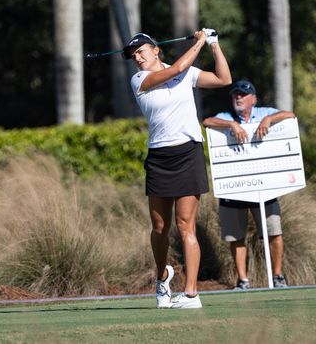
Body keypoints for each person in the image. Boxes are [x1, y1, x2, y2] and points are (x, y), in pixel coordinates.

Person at [124, 28, 231, 309]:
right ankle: (162, 277)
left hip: (188, 153)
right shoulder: (139, 80)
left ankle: (192, 294)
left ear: (156, 49)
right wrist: (199, 42)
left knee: (186, 226)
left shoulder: (186, 73)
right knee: (160, 227)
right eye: (133, 55)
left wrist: (214, 45)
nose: (137, 58)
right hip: (160, 157)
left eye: (141, 52)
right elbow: (179, 67)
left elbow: (224, 79)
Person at [202, 79, 295, 289]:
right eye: (235, 94)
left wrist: (269, 119)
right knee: (236, 237)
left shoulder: (264, 112)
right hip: (235, 188)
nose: (238, 97)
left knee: (273, 232)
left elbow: (290, 115)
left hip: (265, 186)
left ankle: (278, 276)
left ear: (253, 98)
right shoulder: (226, 117)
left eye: (243, 94)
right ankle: (243, 280)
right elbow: (207, 122)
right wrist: (231, 125)